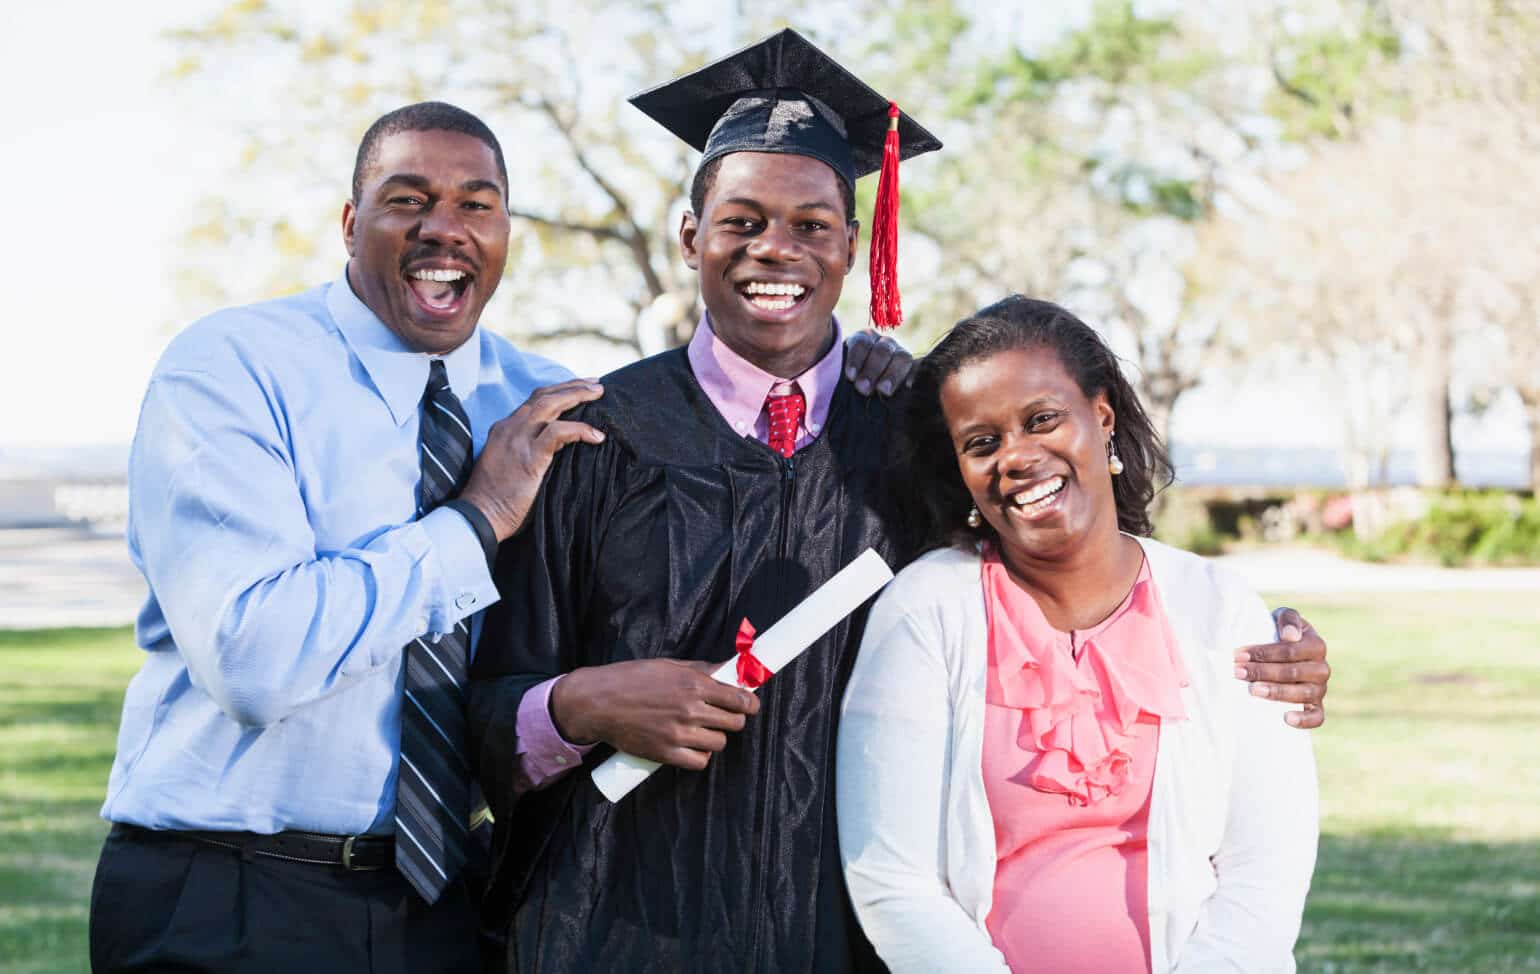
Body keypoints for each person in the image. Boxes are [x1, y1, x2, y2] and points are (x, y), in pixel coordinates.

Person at [470, 30, 1329, 974]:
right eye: (741, 221)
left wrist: (1259, 656)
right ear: (690, 237)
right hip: (619, 925)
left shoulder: (917, 437)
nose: (776, 250)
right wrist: (580, 702)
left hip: (849, 933)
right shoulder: (599, 437)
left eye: (811, 225)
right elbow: (483, 704)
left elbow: (1073, 583)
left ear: (853, 243)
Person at [86, 97, 916, 973]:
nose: (445, 229)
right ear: (349, 221)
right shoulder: (238, 368)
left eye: (476, 205)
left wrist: (889, 381)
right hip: (235, 893)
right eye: (407, 199)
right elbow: (254, 657)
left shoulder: (551, 405)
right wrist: (478, 524)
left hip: (439, 906)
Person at [836, 296, 1320, 973]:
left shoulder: (1219, 607)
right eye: (983, 442)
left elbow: (1268, 866)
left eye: (1042, 420)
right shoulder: (927, 608)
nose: (1017, 457)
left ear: (1101, 416)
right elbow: (891, 878)